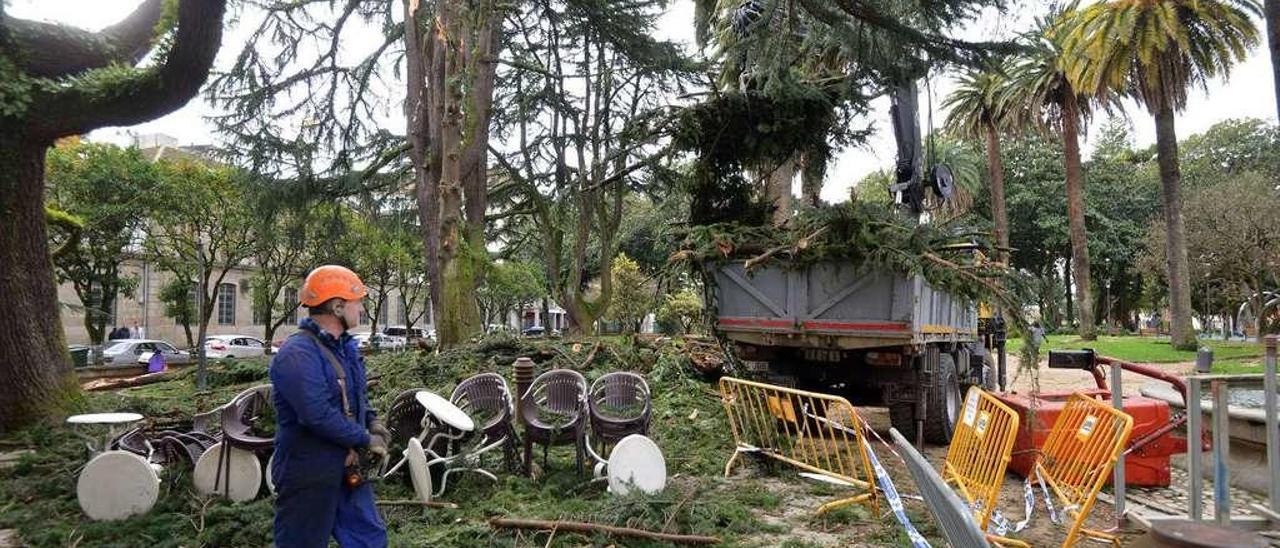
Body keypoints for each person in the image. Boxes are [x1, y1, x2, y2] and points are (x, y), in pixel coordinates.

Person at [269, 265, 389, 547]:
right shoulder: (297, 354)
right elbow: (318, 415)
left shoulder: (344, 347)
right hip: (308, 473)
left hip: (347, 468)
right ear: (337, 306)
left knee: (370, 539)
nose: (361, 308)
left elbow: (356, 396)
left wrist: (373, 422)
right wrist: (365, 438)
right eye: (356, 301)